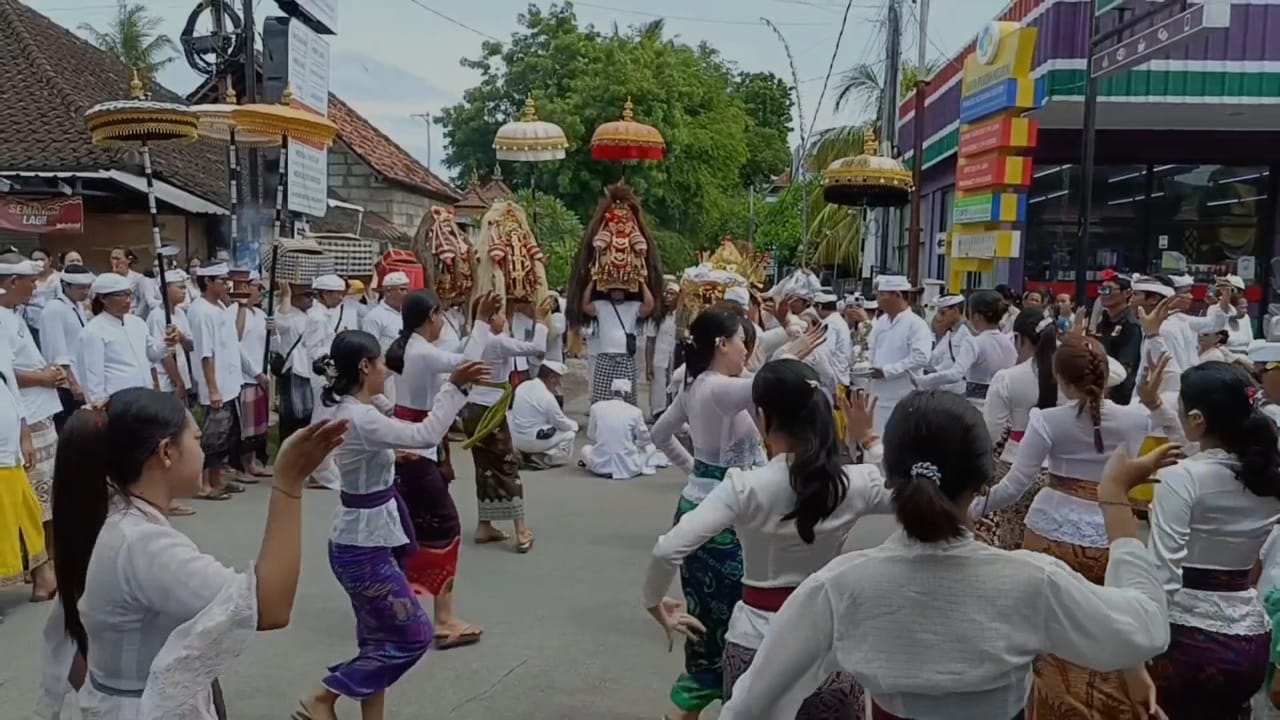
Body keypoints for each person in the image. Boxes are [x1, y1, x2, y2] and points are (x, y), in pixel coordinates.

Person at [718, 389, 1172, 720]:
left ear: (889, 480)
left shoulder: (840, 586)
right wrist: (1113, 497)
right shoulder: (1034, 581)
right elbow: (1144, 628)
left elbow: (749, 706)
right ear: (983, 487)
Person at [41, 388, 346, 720]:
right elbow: (270, 606)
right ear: (167, 452)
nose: (203, 452)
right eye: (198, 440)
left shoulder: (122, 521)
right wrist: (288, 483)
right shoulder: (142, 544)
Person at [646, 361, 889, 719]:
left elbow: (668, 549)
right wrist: (870, 440)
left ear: (762, 417)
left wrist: (654, 602)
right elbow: (917, 497)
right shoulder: (858, 482)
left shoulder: (745, 487)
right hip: (827, 644)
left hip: (755, 640)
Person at [971, 332, 1180, 718]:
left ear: (1061, 381)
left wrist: (967, 508)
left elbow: (1014, 486)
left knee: (1049, 633)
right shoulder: (1136, 418)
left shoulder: (1047, 420)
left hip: (1051, 528)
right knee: (1112, 621)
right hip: (1111, 528)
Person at [296, 331, 487, 720]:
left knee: (378, 641)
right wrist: (453, 388)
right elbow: (424, 435)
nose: (386, 368)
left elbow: (389, 424)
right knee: (413, 634)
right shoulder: (359, 417)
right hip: (362, 546)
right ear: (365, 367)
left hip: (369, 535)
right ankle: (323, 694)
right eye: (381, 362)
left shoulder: (357, 409)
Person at [1143, 362, 1280, 717]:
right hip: (1251, 638)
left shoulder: (1181, 478)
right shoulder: (1264, 475)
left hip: (1190, 641)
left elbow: (1163, 575)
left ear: (1198, 420)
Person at [385, 290, 489, 650]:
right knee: (444, 527)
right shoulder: (421, 352)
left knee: (412, 529)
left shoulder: (409, 347)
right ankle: (443, 619)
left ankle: (405, 608)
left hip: (414, 445)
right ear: (431, 315)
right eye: (441, 313)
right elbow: (465, 362)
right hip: (419, 448)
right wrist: (481, 323)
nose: (443, 319)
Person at [459, 293, 547, 553]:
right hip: (491, 408)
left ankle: (484, 524)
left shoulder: (469, 342)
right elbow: (537, 349)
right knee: (507, 465)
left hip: (471, 409)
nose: (502, 318)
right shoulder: (497, 343)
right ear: (488, 317)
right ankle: (520, 530)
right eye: (497, 314)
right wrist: (540, 322)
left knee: (484, 467)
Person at [0, 257, 61, 601]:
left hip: (25, 421)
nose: (35, 286)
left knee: (35, 501)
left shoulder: (14, 316)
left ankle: (44, 569)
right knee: (28, 503)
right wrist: (42, 377)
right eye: (29, 281)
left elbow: (8, 375)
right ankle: (39, 569)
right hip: (14, 427)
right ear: (10, 282)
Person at [982, 308, 1058, 550]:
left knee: (1012, 540)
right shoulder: (1071, 374)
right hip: (1060, 469)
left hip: (1014, 465)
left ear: (1020, 339)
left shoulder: (1007, 378)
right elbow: (1116, 373)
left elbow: (990, 434)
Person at [187, 263, 245, 501]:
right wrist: (212, 389)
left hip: (230, 380)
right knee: (213, 437)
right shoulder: (201, 311)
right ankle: (204, 484)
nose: (226, 285)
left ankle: (218, 478)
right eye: (221, 281)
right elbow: (205, 354)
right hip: (217, 382)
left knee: (226, 435)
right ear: (208, 282)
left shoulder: (220, 306)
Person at [76, 273, 178, 405]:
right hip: (118, 402)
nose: (127, 300)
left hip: (144, 396)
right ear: (103, 298)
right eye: (120, 295)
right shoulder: (93, 331)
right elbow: (92, 377)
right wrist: (97, 405)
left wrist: (167, 343)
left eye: (129, 295)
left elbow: (151, 353)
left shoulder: (137, 323)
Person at [914, 290, 1015, 406]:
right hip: (1001, 404)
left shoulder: (973, 342)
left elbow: (955, 374)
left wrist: (922, 381)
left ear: (976, 316)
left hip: (975, 404)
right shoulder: (1009, 341)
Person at [865, 275, 931, 436]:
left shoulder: (916, 324)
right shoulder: (881, 322)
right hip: (877, 395)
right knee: (873, 445)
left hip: (901, 396)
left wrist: (887, 370)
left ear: (898, 295)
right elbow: (872, 349)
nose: (878, 299)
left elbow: (920, 357)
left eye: (882, 294)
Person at [580, 278, 656, 405]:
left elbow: (649, 305)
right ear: (608, 291)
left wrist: (641, 282)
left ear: (626, 291)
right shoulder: (600, 305)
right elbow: (585, 305)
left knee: (626, 400)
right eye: (614, 289)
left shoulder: (633, 306)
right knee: (600, 399)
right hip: (604, 358)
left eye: (620, 289)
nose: (617, 292)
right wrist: (593, 281)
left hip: (625, 359)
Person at [580, 378, 667, 481]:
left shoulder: (596, 407)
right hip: (627, 466)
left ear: (611, 392)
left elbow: (591, 435)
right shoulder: (635, 411)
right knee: (650, 447)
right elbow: (645, 439)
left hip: (600, 464)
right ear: (628, 394)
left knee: (586, 449)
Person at [39, 264, 92, 431]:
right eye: (80, 288)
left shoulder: (78, 306)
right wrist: (73, 384)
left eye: (88, 287)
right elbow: (57, 353)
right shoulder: (54, 309)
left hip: (82, 380)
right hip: (66, 386)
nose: (85, 292)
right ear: (65, 286)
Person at [231, 273, 273, 478]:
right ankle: (241, 466)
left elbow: (270, 343)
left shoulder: (261, 314)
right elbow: (236, 344)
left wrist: (273, 331)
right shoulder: (235, 311)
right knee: (245, 425)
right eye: (258, 287)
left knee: (258, 423)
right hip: (245, 376)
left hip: (262, 374)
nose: (261, 292)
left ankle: (253, 461)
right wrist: (255, 372)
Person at [508, 360, 578, 469]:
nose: (559, 383)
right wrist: (574, 426)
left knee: (510, 415)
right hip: (533, 440)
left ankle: (522, 453)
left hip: (515, 437)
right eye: (558, 379)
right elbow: (560, 422)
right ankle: (545, 458)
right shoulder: (547, 397)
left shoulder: (523, 386)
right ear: (551, 377)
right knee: (569, 434)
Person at [274, 282, 320, 443]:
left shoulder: (312, 313)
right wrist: (285, 295)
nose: (311, 299)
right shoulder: (287, 313)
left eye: (313, 295)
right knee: (294, 416)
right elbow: (282, 323)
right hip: (295, 371)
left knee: (309, 415)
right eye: (307, 295)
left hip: (311, 371)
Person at [360, 271, 409, 403]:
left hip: (407, 376)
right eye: (402, 289)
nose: (406, 294)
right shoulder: (374, 317)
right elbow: (370, 352)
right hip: (387, 379)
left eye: (407, 289)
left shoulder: (407, 314)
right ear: (388, 291)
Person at [1095, 272, 1143, 404]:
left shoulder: (1131, 325)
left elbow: (1126, 366)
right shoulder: (1102, 322)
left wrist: (1105, 391)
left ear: (1127, 293)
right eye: (1101, 289)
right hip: (1099, 388)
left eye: (1108, 289)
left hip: (1118, 394)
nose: (1103, 294)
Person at [923, 294, 970, 396]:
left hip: (959, 393)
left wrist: (933, 371)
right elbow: (935, 356)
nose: (938, 318)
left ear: (956, 311)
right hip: (945, 391)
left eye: (942, 313)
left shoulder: (967, 334)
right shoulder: (950, 333)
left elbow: (951, 366)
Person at [646, 281, 680, 420]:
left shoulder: (682, 317)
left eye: (672, 293)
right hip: (659, 356)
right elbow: (650, 340)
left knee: (674, 383)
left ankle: (673, 414)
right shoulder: (657, 316)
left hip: (676, 357)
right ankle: (657, 413)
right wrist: (648, 364)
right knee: (658, 385)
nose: (667, 296)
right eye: (666, 293)